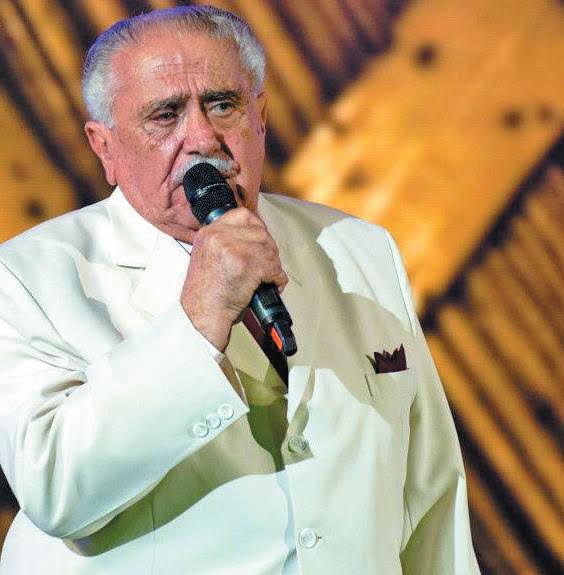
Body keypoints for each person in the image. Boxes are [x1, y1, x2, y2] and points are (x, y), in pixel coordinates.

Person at [0, 6, 479, 574]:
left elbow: (431, 494)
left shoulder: (359, 248)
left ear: (262, 117)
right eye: (165, 115)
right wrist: (198, 320)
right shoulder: (28, 278)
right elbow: (55, 488)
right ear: (104, 147)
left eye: (223, 105)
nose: (203, 137)